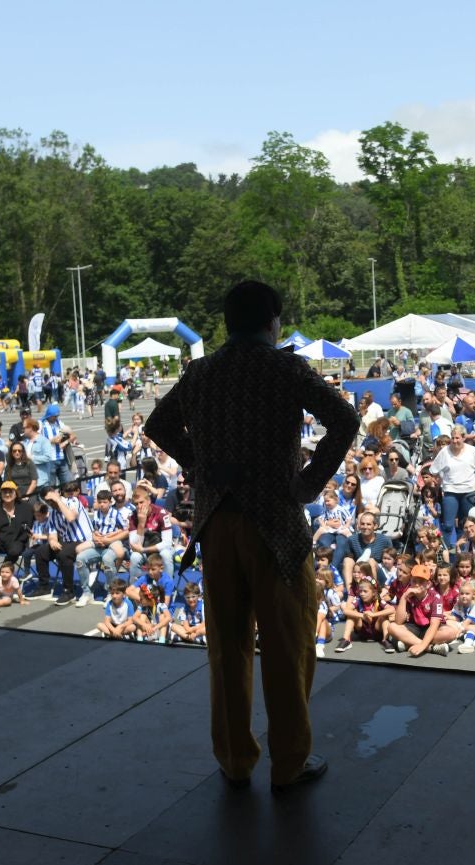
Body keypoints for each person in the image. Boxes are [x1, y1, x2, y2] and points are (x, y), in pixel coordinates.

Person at [143, 280, 358, 792]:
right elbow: (344, 419)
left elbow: (158, 424)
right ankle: (289, 762)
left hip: (217, 524)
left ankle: (235, 758)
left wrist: (201, 466)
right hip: (277, 527)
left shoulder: (201, 372)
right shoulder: (283, 368)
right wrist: (308, 483)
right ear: (272, 322)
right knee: (287, 645)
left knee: (227, 645)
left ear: (227, 322)